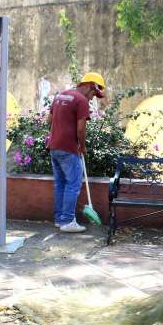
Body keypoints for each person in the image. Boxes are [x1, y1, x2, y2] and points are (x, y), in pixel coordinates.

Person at [46, 72, 106, 233]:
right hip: (68, 148)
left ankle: (60, 219)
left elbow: (48, 121)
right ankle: (67, 221)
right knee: (73, 184)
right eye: (94, 93)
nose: (92, 98)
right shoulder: (81, 101)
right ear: (89, 86)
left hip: (54, 146)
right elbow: (81, 129)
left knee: (60, 184)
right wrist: (82, 146)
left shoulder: (60, 96)